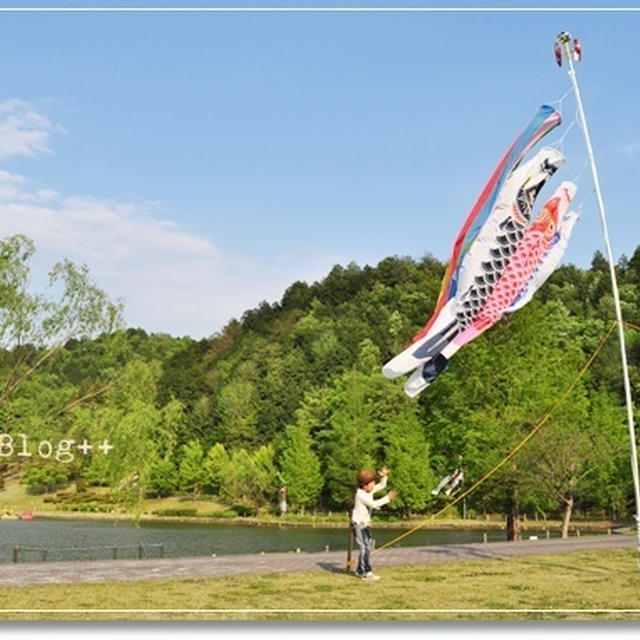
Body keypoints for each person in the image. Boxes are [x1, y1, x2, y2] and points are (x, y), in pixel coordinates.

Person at [350, 465, 396, 581]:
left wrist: (384, 476)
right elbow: (374, 504)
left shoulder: (368, 490)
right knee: (364, 547)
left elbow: (382, 485)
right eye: (371, 483)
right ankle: (366, 572)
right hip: (358, 524)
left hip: (365, 524)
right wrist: (387, 499)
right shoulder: (360, 494)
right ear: (364, 486)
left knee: (366, 547)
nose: (373, 485)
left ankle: (360, 570)